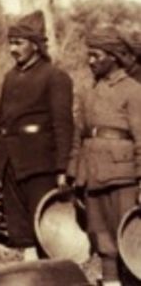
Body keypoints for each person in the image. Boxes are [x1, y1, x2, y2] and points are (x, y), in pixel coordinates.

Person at [0, 10, 74, 261]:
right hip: (12, 165)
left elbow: (63, 125)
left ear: (35, 45)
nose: (12, 49)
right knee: (21, 231)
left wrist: (63, 169)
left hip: (40, 167)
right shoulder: (10, 78)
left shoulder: (55, 77)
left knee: (45, 229)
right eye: (10, 43)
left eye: (18, 43)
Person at [67, 28, 141, 286]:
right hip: (92, 174)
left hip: (123, 178)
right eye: (89, 55)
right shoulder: (88, 92)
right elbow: (79, 135)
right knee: (102, 239)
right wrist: (73, 171)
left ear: (113, 57)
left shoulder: (133, 91)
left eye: (96, 55)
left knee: (129, 239)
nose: (91, 61)